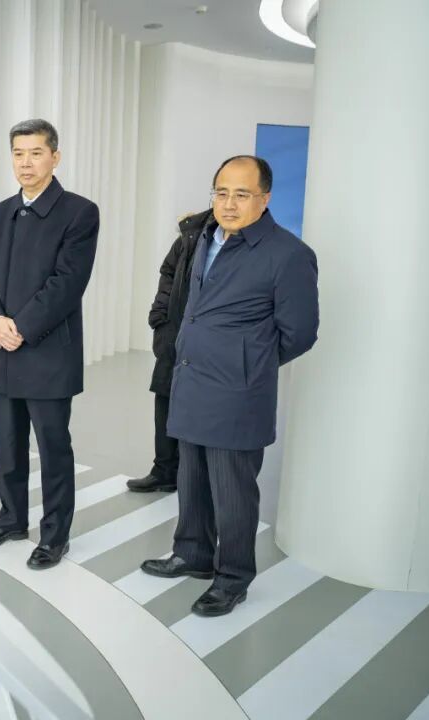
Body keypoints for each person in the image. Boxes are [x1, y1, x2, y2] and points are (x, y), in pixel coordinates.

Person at [140, 155, 319, 616]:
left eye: (242, 194)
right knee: (191, 478)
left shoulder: (288, 255)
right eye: (221, 193)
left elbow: (300, 333)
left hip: (237, 392)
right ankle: (192, 554)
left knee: (233, 493)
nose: (229, 204)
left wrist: (246, 364)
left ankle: (233, 578)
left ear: (265, 199)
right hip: (191, 380)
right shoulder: (204, 238)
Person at [0, 119, 99, 570]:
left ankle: (55, 535)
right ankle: (11, 519)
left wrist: (20, 326)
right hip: (5, 347)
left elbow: (67, 283)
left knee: (52, 448)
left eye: (36, 153)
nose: (26, 162)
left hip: (47, 352)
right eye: (18, 153)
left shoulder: (79, 212)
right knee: (7, 444)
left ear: (55, 157)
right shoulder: (0, 212)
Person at [126, 209, 212, 493]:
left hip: (209, 341)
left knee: (201, 408)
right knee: (165, 400)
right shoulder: (191, 233)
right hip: (174, 333)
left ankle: (196, 477)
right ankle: (164, 471)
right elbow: (168, 273)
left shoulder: (240, 240)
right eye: (221, 192)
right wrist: (160, 316)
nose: (228, 202)